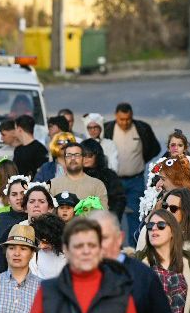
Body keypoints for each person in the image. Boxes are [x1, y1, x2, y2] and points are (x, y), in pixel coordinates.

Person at [103, 102, 161, 243]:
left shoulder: (141, 128)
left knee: (135, 216)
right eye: (121, 119)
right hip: (114, 182)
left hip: (135, 181)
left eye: (128, 119)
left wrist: (140, 160)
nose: (125, 122)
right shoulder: (108, 129)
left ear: (132, 116)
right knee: (112, 216)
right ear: (116, 116)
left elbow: (154, 148)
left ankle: (135, 249)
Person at [0, 174, 30, 271]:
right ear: (9, 200)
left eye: (22, 193)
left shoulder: (35, 219)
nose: (19, 197)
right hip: (0, 274)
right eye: (14, 194)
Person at [79, 138, 126, 224]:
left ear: (97, 156)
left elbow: (118, 200)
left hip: (103, 221)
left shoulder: (109, 175)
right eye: (82, 155)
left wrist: (111, 220)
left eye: (89, 155)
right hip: (81, 222)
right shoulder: (76, 175)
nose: (85, 158)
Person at [50, 142, 108, 207]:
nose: (73, 158)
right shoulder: (53, 185)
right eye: (69, 155)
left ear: (83, 158)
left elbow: (102, 214)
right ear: (65, 159)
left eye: (77, 155)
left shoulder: (97, 185)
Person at [12, 114, 50, 178]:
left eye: (15, 128)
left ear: (19, 129)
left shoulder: (39, 149)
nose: (14, 132)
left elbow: (43, 172)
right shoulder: (18, 149)